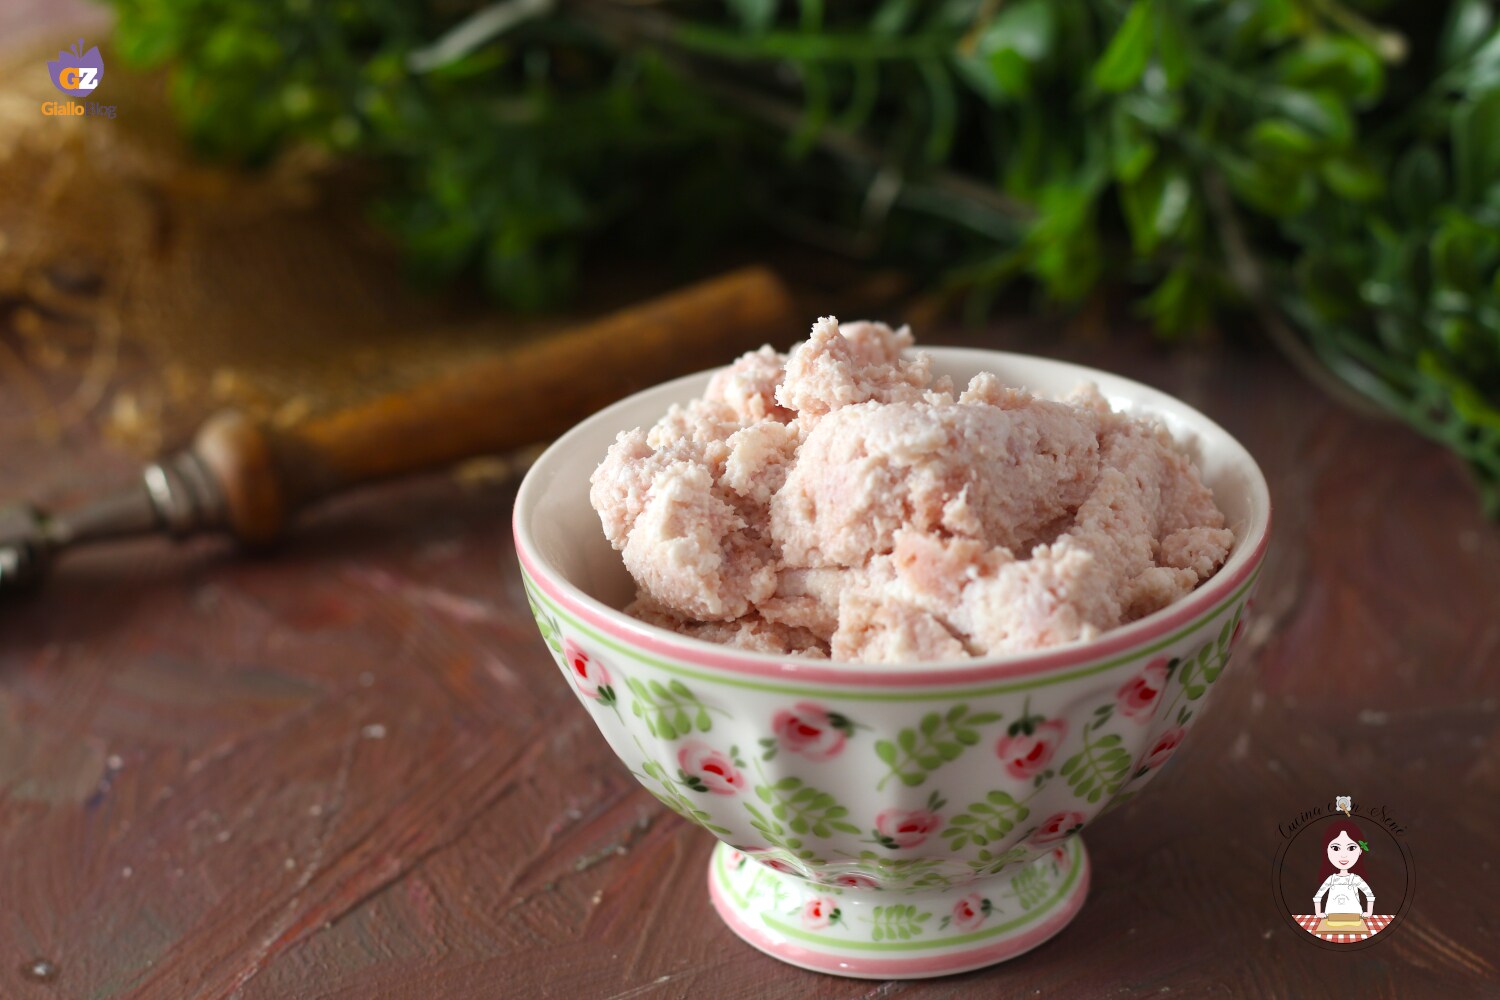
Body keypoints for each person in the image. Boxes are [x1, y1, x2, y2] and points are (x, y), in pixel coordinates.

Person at [1312, 819, 1375, 920]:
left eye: (1351, 848)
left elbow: (1369, 895)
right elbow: (1318, 896)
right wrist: (1318, 913)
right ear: (1327, 851)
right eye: (1336, 848)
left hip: (1354, 918)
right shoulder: (1331, 879)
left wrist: (1369, 912)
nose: (1343, 855)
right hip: (1332, 918)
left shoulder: (1355, 879)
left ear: (1360, 851)